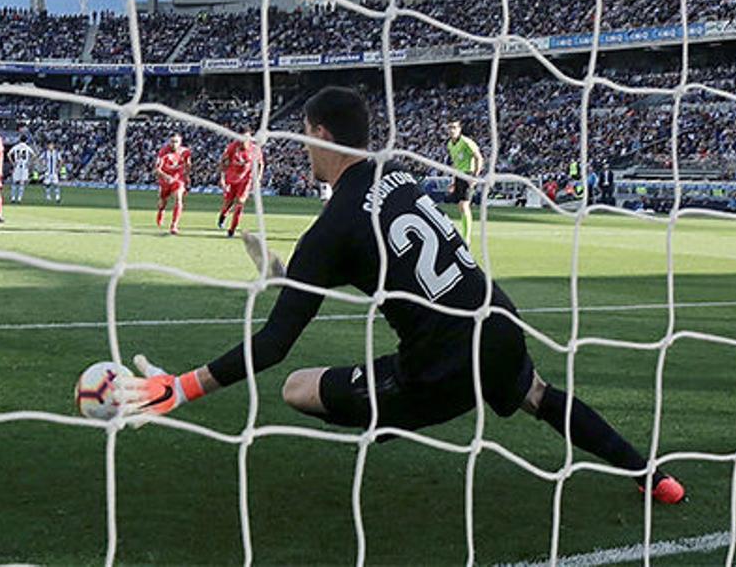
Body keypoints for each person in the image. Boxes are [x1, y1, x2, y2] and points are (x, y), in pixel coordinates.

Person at [120, 86, 686, 506]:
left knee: (297, 391)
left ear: (319, 134)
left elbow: (274, 345)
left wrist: (182, 387)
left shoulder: (332, 224)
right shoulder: (402, 180)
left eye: (303, 138)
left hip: (440, 366)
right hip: (496, 320)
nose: (301, 151)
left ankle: (390, 417)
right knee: (539, 395)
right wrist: (284, 273)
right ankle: (652, 477)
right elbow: (388, 260)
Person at [218, 126, 262, 238]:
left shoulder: (255, 149)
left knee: (240, 203)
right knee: (228, 203)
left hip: (246, 180)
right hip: (232, 179)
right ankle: (223, 215)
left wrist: (258, 178)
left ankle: (232, 229)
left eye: (246, 137)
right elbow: (223, 162)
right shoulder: (232, 147)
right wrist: (222, 178)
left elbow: (261, 164)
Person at [445, 120, 482, 245]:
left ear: (460, 129)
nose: (452, 130)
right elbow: (455, 164)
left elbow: (478, 157)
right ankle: (465, 233)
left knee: (464, 205)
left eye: (454, 127)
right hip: (459, 176)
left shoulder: (466, 142)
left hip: (468, 174)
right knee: (461, 206)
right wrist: (453, 181)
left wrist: (475, 176)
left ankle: (466, 238)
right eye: (450, 127)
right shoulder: (450, 144)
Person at [154, 133, 191, 235]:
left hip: (178, 180)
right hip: (165, 181)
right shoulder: (163, 152)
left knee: (178, 199)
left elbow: (188, 165)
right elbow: (157, 169)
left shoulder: (186, 152)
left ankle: (174, 225)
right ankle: (161, 211)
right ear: (169, 142)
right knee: (162, 202)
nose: (174, 144)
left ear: (180, 142)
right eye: (172, 141)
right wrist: (166, 177)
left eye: (176, 141)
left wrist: (187, 177)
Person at [7, 135, 34, 203]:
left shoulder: (16, 147)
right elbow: (34, 155)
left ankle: (13, 198)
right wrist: (29, 163)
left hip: (17, 166)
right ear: (26, 140)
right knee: (22, 183)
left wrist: (12, 162)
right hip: (24, 166)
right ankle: (19, 198)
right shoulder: (27, 147)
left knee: (14, 182)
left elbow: (8, 154)